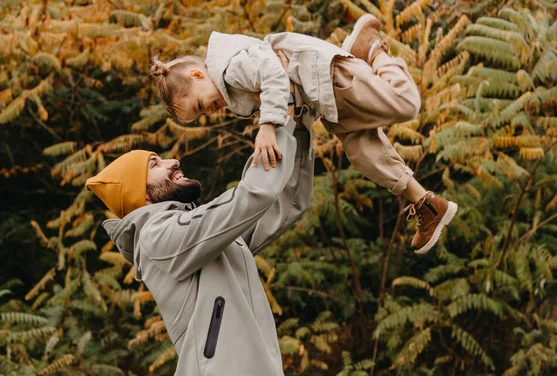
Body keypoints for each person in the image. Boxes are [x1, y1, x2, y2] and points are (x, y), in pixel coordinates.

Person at [150, 13, 457, 254]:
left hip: (328, 76)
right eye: (202, 115)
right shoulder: (230, 89)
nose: (210, 111)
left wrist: (267, 126)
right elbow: (285, 99)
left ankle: (372, 49)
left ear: (197, 74)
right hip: (323, 102)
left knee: (405, 104)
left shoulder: (230, 67)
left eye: (201, 105)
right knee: (367, 155)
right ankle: (428, 204)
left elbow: (272, 72)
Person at [85, 115, 314, 375]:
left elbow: (282, 205)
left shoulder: (194, 236)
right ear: (142, 194)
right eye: (155, 164)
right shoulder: (156, 237)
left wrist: (298, 122)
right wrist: (277, 123)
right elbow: (252, 196)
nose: (173, 161)